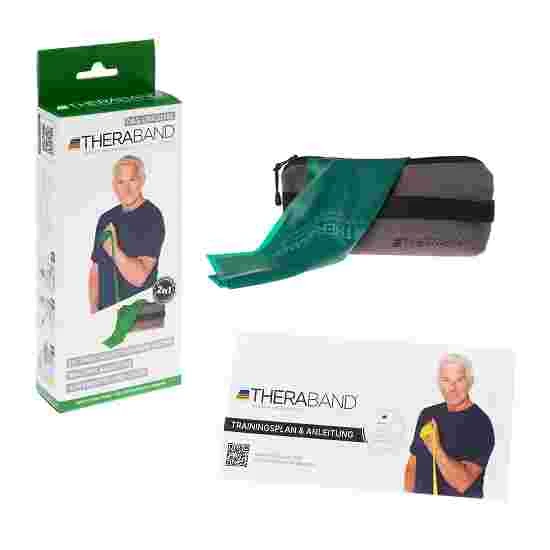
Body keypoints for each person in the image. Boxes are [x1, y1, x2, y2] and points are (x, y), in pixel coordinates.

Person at [404, 353, 495, 498]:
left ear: (470, 382)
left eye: (459, 380)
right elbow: (412, 467)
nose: (452, 388)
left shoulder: (480, 424)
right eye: (446, 380)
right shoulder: (428, 414)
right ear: (439, 382)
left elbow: (463, 483)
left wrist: (435, 447)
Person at [89, 155, 165, 313]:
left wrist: (113, 249)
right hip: (105, 313)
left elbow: (139, 278)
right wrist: (94, 309)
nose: (126, 189)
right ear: (114, 185)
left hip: (139, 314)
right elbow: (96, 270)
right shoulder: (106, 218)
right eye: (121, 182)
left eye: (132, 180)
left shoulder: (152, 217)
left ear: (142, 181)